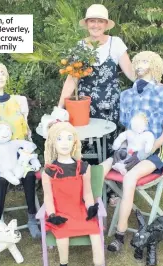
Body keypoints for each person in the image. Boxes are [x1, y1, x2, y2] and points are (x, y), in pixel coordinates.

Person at [107, 51, 163, 252]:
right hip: (132, 148)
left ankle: (119, 236)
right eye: (137, 61)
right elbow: (127, 129)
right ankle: (86, 223)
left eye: (145, 61)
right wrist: (127, 150)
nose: (139, 64)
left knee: (129, 179)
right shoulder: (126, 95)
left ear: (155, 65)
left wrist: (148, 149)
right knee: (99, 167)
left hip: (156, 151)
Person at [41, 121, 112, 266]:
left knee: (95, 231)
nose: (64, 143)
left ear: (74, 141)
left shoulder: (83, 167)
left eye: (68, 138)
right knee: (62, 233)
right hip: (60, 211)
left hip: (79, 210)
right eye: (59, 138)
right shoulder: (49, 171)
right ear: (53, 142)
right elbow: (48, 197)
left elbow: (87, 193)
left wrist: (90, 207)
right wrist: (52, 215)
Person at [0, 63, 41, 239]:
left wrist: (30, 156)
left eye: (3, 73)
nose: (0, 76)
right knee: (1, 180)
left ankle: (32, 219)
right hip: (0, 161)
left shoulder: (18, 101)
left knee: (29, 176)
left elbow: (26, 131)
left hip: (21, 157)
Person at [58, 4, 133, 155]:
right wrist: (59, 108)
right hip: (84, 107)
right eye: (92, 21)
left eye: (100, 21)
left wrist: (153, 84)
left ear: (106, 24)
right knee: (84, 145)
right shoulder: (79, 46)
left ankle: (107, 175)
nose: (96, 25)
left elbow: (131, 73)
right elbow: (71, 79)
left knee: (109, 145)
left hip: (110, 106)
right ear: (86, 24)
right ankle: (85, 176)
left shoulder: (116, 43)